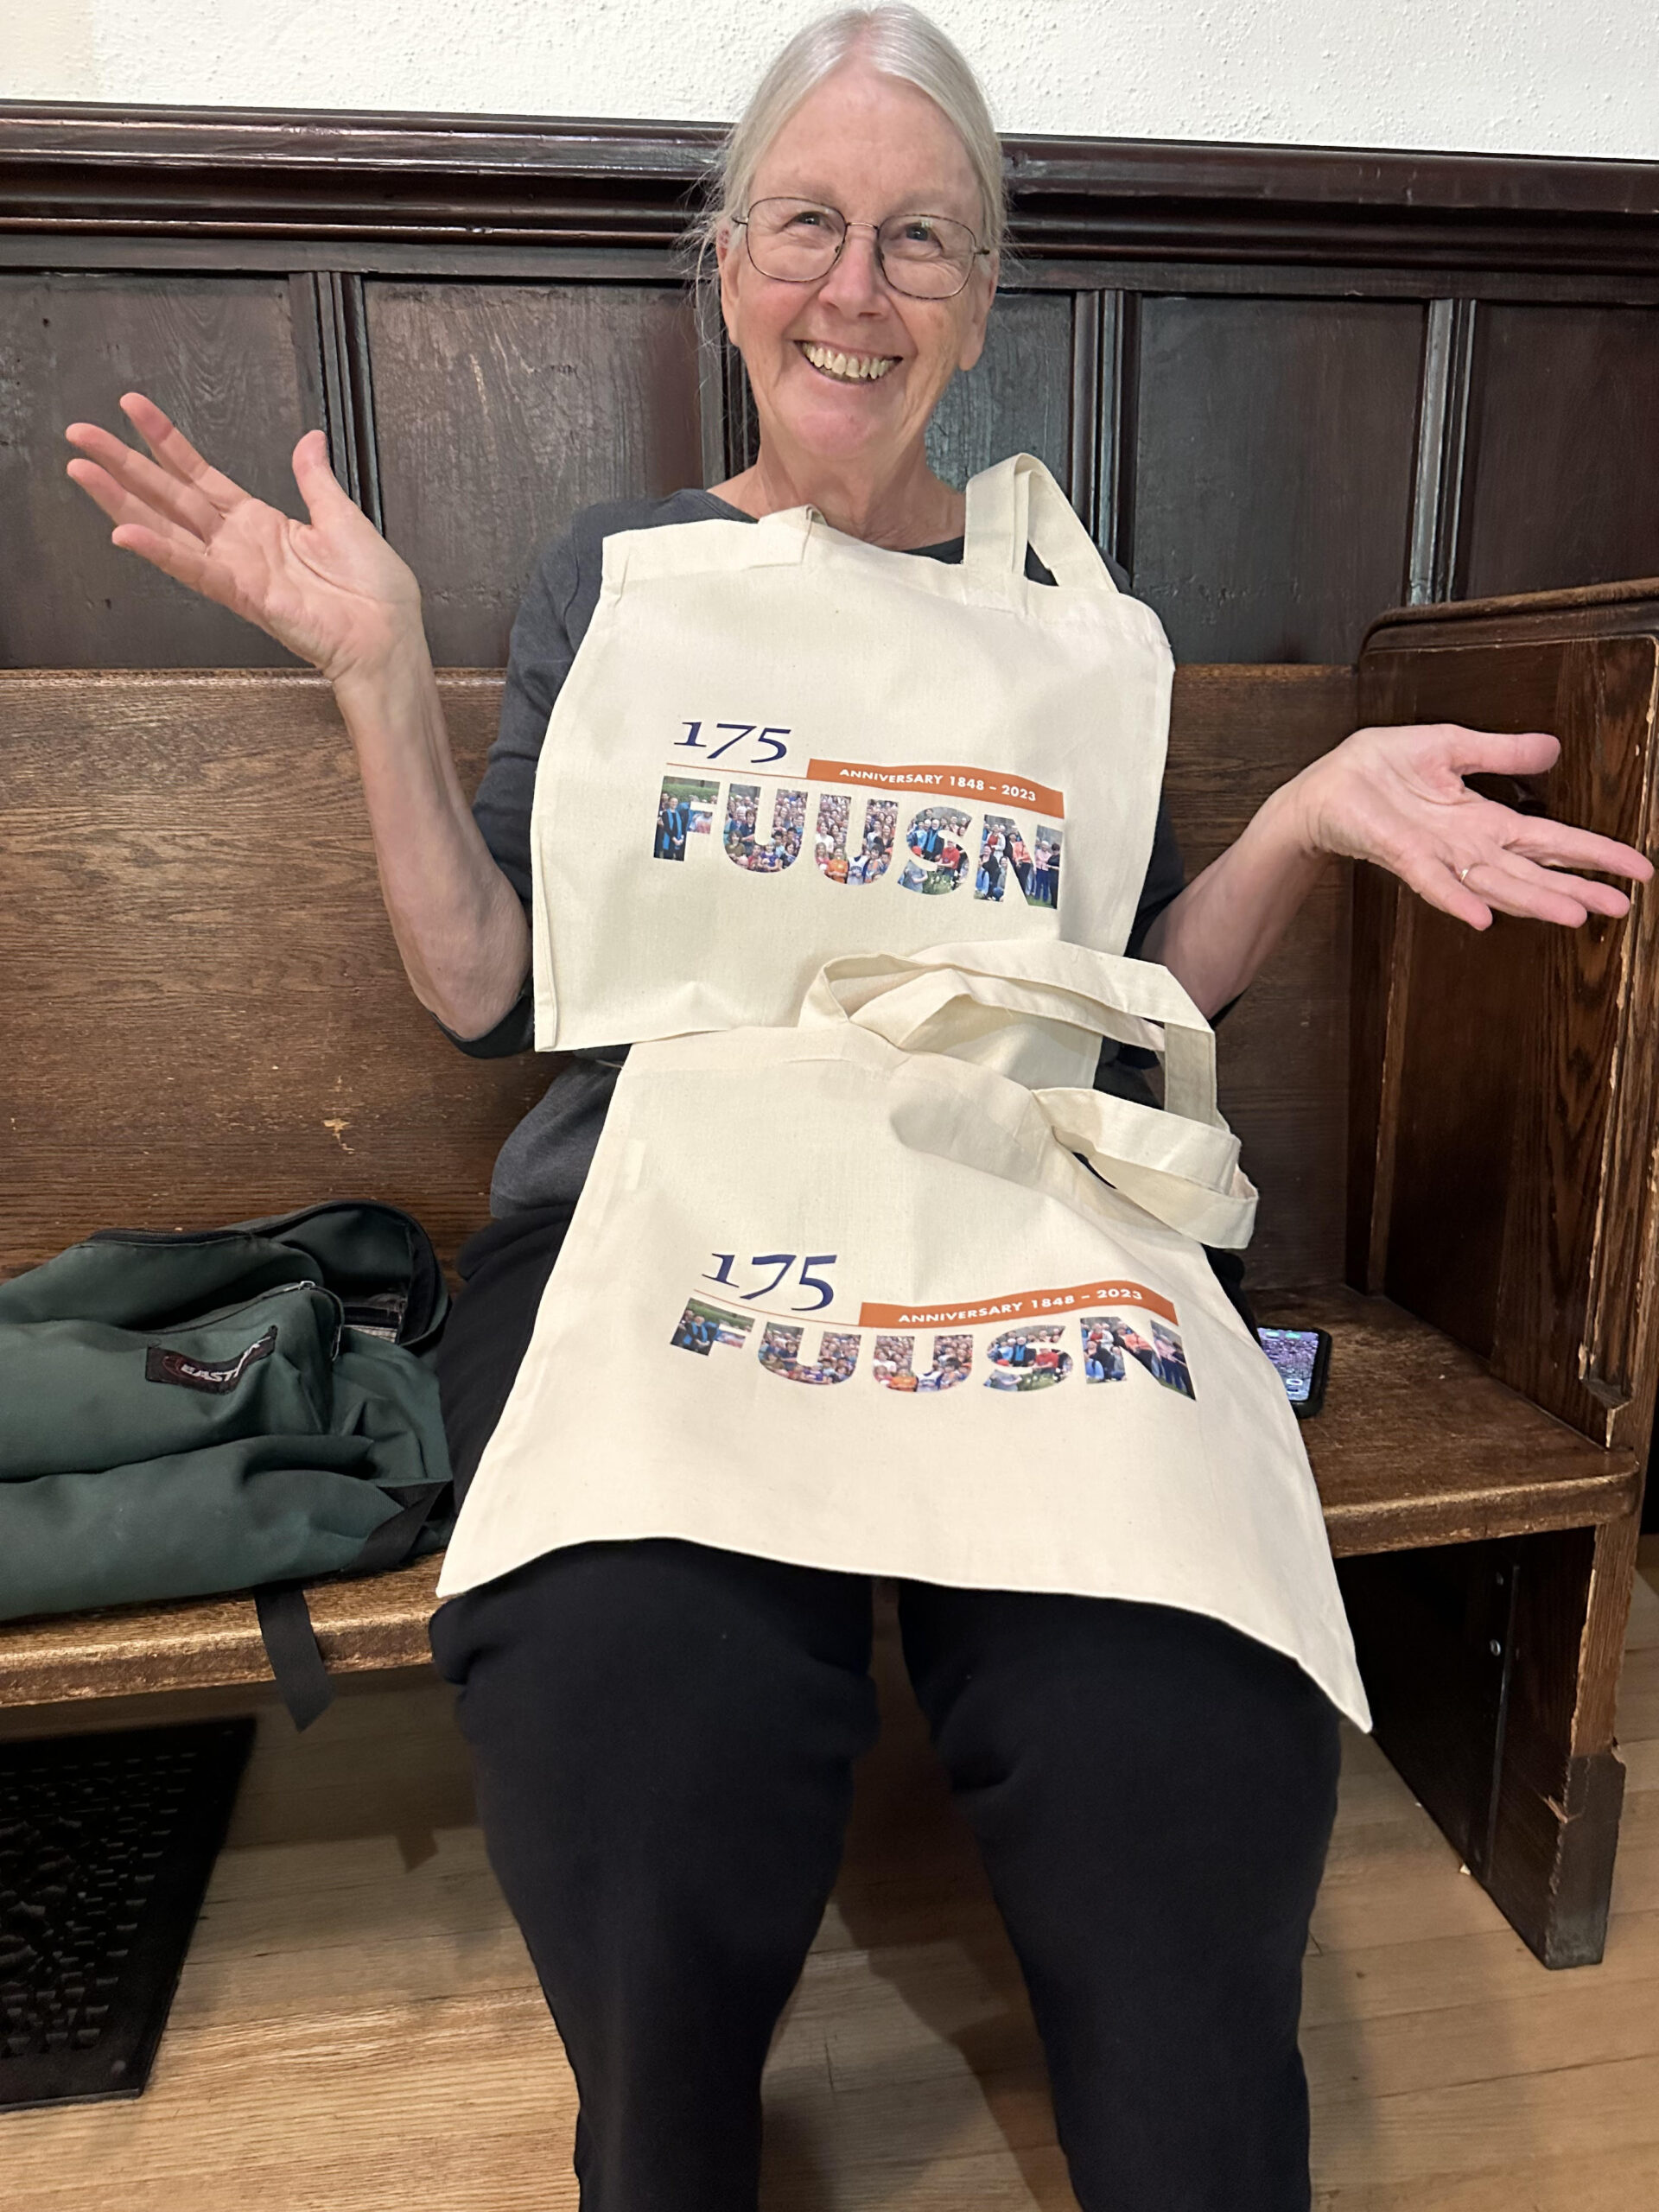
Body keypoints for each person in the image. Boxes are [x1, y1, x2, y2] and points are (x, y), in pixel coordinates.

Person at [63, 10, 1649, 2209]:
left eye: (921, 238)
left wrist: (1298, 816)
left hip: (1020, 1203)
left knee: (1174, 1697)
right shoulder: (609, 590)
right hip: (659, 1211)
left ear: (981, 298)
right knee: (630, 1678)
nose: (857, 283)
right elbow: (492, 988)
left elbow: (1119, 1004)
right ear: (727, 261)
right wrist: (372, 682)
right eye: (807, 221)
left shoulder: (1076, 634)